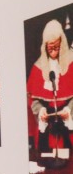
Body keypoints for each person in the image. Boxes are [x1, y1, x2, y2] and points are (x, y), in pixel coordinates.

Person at [26, 19, 73, 151]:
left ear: (62, 44)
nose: (53, 52)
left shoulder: (71, 63)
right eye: (50, 47)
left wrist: (69, 111)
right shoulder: (37, 68)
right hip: (47, 131)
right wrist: (41, 111)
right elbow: (32, 99)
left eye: (56, 47)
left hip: (70, 128)